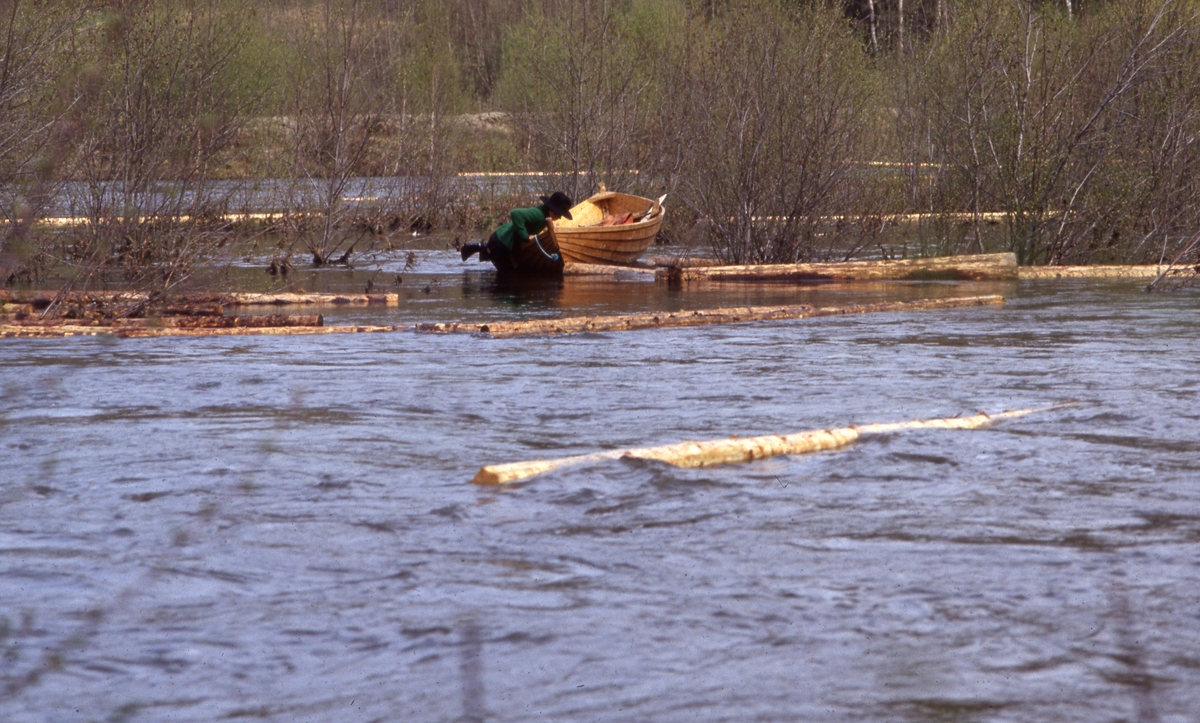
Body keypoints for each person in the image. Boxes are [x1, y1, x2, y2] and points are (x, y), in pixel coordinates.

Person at [460, 191, 573, 268]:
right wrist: (525, 236)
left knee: (508, 270)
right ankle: (481, 247)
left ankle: (483, 248)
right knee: (506, 276)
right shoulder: (538, 214)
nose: (560, 217)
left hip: (502, 240)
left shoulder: (544, 215)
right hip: (500, 242)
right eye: (559, 214)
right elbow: (516, 213)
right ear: (552, 210)